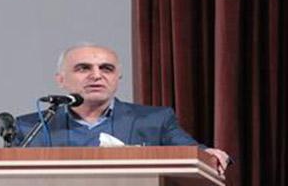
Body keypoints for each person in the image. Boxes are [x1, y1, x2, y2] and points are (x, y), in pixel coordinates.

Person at [14, 43, 231, 174]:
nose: (96, 75)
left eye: (106, 69)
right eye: (83, 68)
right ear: (61, 79)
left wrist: (208, 154)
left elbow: (191, 152)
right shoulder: (29, 127)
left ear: (118, 78)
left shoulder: (155, 121)